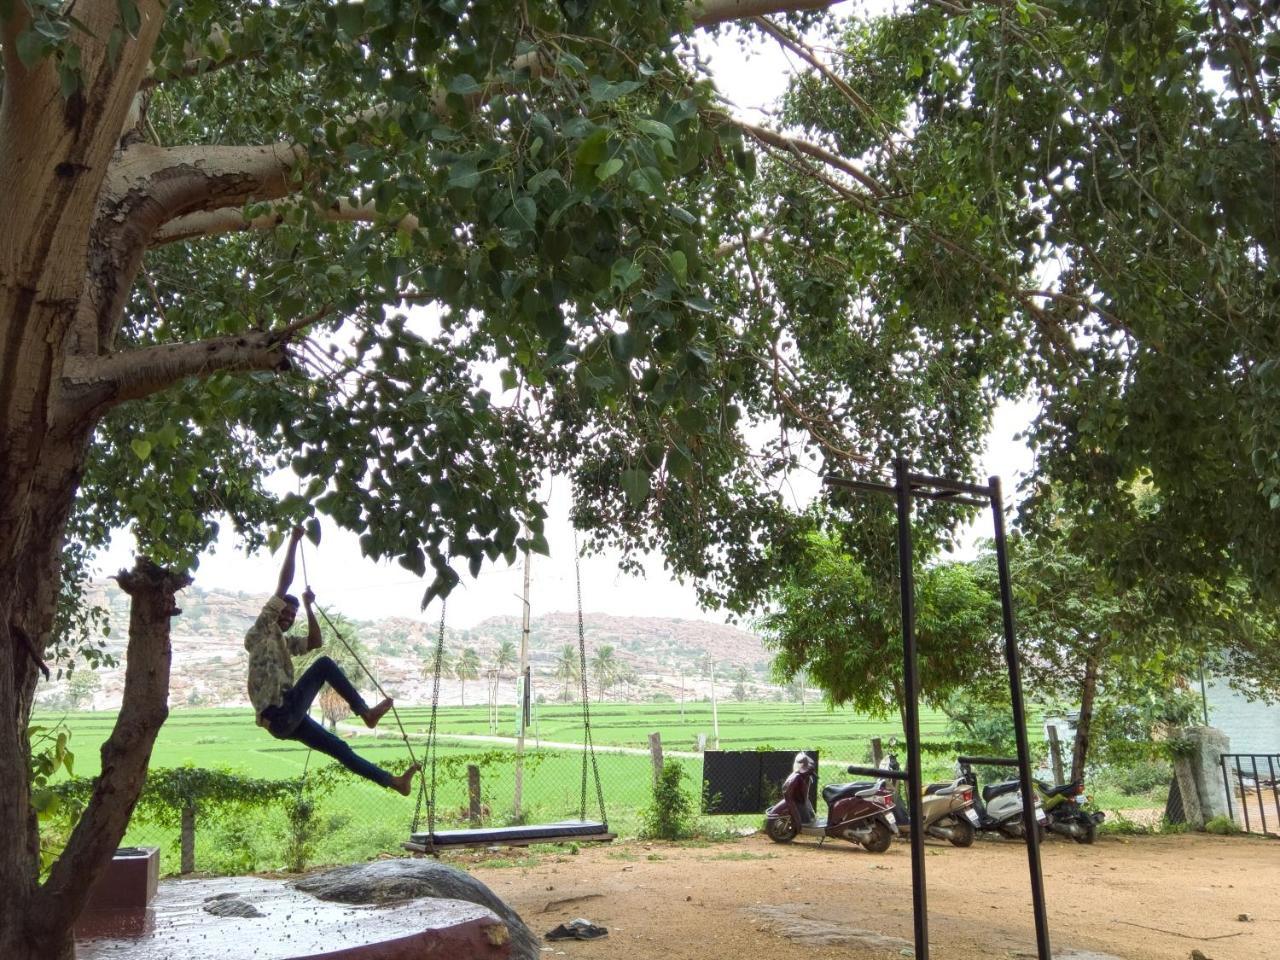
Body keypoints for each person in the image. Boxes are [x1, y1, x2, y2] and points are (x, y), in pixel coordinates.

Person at [245, 525, 420, 794]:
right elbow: (284, 584)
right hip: (279, 712)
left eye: (292, 615)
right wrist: (293, 541)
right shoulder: (262, 630)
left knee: (338, 748)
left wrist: (308, 607)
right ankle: (365, 713)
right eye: (286, 612)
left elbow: (315, 642)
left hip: (286, 719)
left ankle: (393, 782)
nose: (288, 618)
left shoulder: (283, 642)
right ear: (275, 611)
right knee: (325, 664)